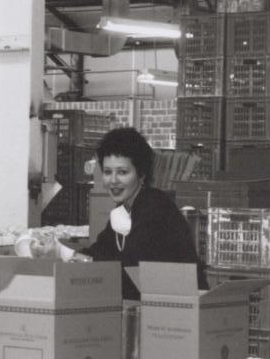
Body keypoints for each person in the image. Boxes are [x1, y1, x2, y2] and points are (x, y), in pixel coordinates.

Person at [79, 127, 205, 299]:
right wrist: (66, 256)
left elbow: (131, 269)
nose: (113, 180)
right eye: (108, 172)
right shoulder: (123, 211)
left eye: (122, 172)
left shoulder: (154, 208)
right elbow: (101, 250)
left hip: (181, 310)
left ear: (141, 175)